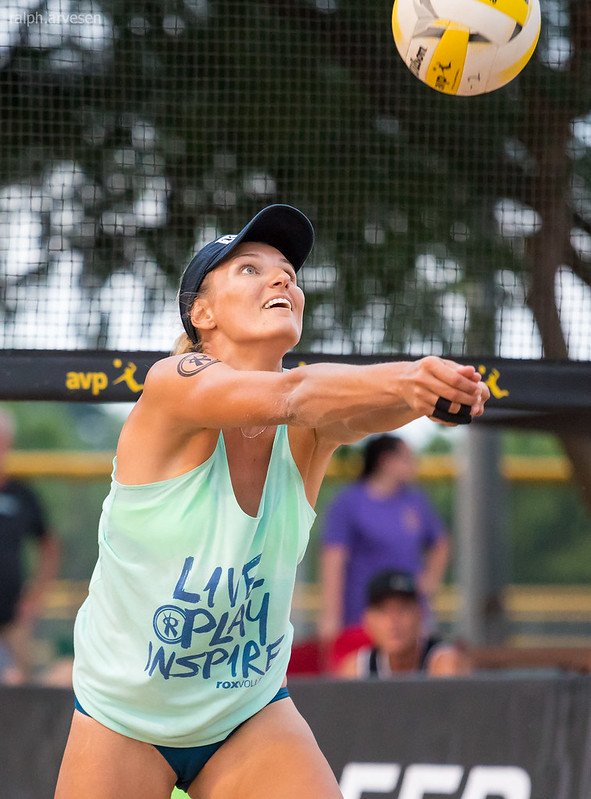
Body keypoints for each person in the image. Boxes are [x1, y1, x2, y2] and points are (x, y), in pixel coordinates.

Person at [55, 203, 489, 799]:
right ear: (201, 313)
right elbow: (296, 391)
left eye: (287, 270)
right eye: (251, 270)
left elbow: (357, 405)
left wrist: (438, 395)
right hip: (124, 717)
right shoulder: (172, 385)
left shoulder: (310, 428)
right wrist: (409, 379)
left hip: (246, 711)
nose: (283, 278)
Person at [319, 434, 449, 656]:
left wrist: (429, 582)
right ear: (386, 461)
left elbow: (441, 542)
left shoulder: (414, 501)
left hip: (410, 620)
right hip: (361, 617)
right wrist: (331, 616)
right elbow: (333, 559)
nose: (414, 465)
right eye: (407, 458)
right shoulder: (350, 502)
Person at [0, 409, 60, 684]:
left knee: (22, 684)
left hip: (14, 614)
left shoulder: (23, 494)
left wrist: (34, 598)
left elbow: (49, 547)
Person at [336, 569, 472, 679]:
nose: (393, 621)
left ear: (420, 615)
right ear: (367, 620)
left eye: (403, 609)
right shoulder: (357, 670)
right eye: (383, 611)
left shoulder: (443, 664)